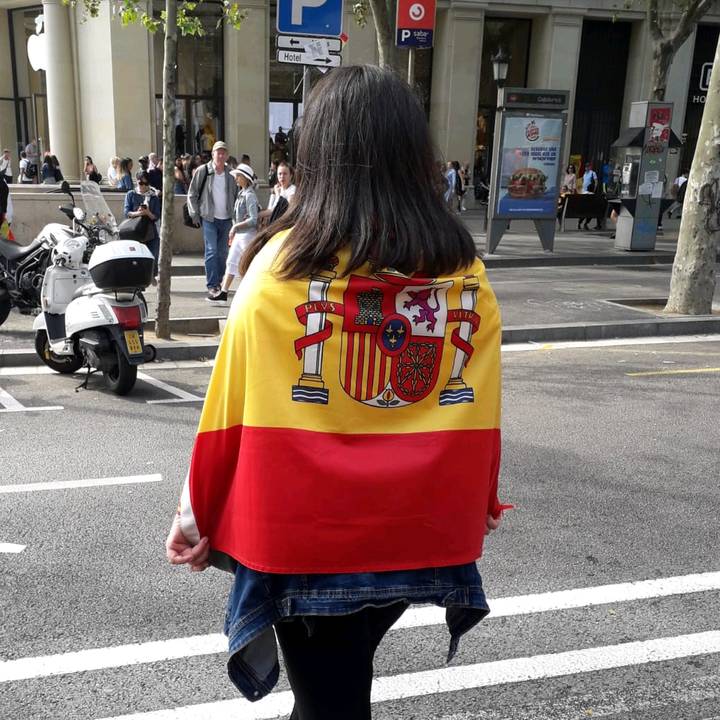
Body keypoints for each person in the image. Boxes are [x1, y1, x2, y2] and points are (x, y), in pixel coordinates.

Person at [165, 65, 505, 720]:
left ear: (318, 155)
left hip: (304, 537)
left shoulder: (278, 270)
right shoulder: (463, 275)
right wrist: (483, 496)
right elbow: (478, 401)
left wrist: (196, 516)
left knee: (330, 703)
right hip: (417, 526)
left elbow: (227, 409)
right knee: (337, 695)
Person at [186, 140, 238, 300]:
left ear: (227, 156)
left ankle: (220, 282)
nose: (221, 156)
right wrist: (194, 214)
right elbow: (192, 193)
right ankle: (212, 285)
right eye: (218, 152)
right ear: (213, 154)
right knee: (212, 251)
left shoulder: (231, 174)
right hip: (209, 217)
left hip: (227, 218)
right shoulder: (203, 171)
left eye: (223, 153)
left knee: (223, 253)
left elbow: (237, 195)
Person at [212, 163, 259, 303]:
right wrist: (235, 228)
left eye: (238, 176)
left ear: (245, 178)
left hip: (247, 235)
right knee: (232, 262)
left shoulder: (249, 195)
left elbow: (254, 219)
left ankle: (251, 293)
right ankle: (224, 292)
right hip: (240, 234)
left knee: (247, 265)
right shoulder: (242, 193)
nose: (236, 178)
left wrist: (235, 227)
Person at [124, 172, 161, 280]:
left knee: (152, 256)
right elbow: (127, 213)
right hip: (134, 231)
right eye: (141, 183)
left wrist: (148, 213)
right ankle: (137, 279)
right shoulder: (131, 194)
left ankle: (150, 276)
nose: (143, 186)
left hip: (151, 231)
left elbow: (156, 216)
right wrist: (138, 213)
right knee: (135, 258)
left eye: (146, 183)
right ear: (137, 181)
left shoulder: (153, 197)